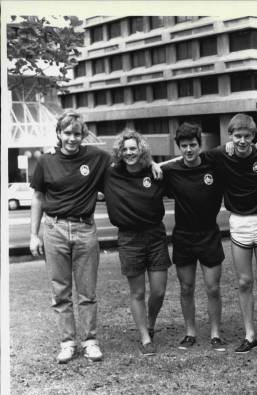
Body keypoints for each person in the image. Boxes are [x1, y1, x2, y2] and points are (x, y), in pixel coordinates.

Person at [30, 110, 110, 364]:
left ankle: (89, 341)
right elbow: (38, 198)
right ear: (58, 133)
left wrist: (151, 163)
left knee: (87, 291)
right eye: (67, 133)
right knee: (61, 292)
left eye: (77, 133)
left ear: (83, 135)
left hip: (85, 229)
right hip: (54, 229)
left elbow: (129, 161)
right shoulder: (45, 161)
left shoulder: (97, 157)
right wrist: (33, 234)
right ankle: (67, 342)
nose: (72, 138)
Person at [206, 114, 257, 354]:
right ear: (230, 136)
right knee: (245, 281)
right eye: (237, 136)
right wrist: (155, 164)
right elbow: (193, 157)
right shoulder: (221, 154)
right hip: (238, 222)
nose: (242, 140)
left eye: (247, 136)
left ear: (254, 137)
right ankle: (249, 334)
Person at [103, 130, 171, 355]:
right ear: (119, 152)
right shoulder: (110, 173)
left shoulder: (154, 172)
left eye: (133, 148)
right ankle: (145, 337)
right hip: (129, 238)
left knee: (159, 291)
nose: (129, 152)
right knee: (138, 292)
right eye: (125, 149)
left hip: (155, 235)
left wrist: (152, 162)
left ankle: (150, 323)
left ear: (140, 149)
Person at [159, 123, 226, 351]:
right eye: (184, 146)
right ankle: (190, 332)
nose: (189, 150)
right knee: (186, 287)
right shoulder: (171, 171)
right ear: (179, 147)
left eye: (193, 145)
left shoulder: (214, 166)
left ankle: (216, 333)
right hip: (184, 236)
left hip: (209, 234)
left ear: (200, 144)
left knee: (213, 288)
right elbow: (144, 170)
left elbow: (234, 151)